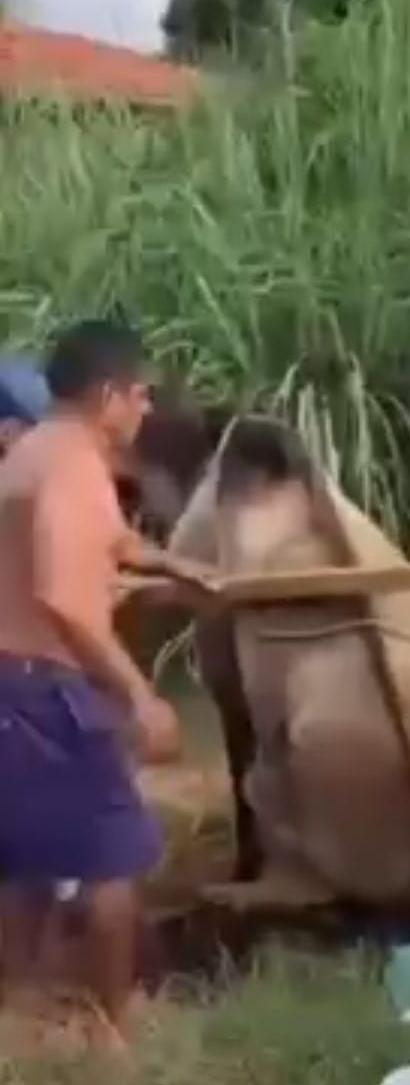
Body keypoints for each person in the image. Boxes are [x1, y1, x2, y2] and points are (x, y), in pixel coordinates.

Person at [0, 319, 215, 1044]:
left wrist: (167, 562)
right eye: (140, 394)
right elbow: (63, 594)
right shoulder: (73, 465)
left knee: (26, 855)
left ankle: (20, 1013)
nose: (146, 409)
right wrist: (136, 693)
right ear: (106, 394)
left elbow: (102, 538)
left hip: (10, 682)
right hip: (45, 684)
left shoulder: (35, 451)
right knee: (113, 853)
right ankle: (114, 1026)